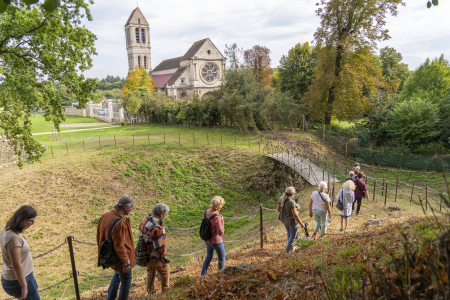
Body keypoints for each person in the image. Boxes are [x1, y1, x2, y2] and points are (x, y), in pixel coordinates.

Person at [97, 195, 135, 300]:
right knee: (126, 281)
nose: (131, 209)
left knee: (118, 274)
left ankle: (111, 298)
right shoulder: (121, 222)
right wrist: (126, 262)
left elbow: (100, 234)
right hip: (120, 257)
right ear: (126, 207)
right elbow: (119, 246)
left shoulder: (106, 215)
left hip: (112, 255)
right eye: (132, 207)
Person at [1, 206, 39, 300]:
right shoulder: (13, 238)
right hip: (20, 280)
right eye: (31, 221)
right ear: (23, 220)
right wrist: (24, 286)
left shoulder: (7, 229)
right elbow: (16, 265)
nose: (32, 224)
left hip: (16, 278)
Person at [139, 203, 171, 293]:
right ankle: (166, 291)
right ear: (161, 214)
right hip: (154, 255)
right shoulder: (156, 227)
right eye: (165, 214)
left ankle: (150, 292)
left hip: (146, 253)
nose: (165, 216)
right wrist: (163, 259)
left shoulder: (145, 219)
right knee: (165, 270)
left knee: (150, 272)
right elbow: (159, 247)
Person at [200, 196, 226, 276]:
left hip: (207, 240)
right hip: (216, 241)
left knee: (208, 257)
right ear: (219, 206)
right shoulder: (217, 218)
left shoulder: (205, 212)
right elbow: (221, 232)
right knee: (221, 257)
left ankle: (202, 275)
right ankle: (221, 275)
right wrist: (222, 221)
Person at [277, 187, 306, 253]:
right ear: (292, 194)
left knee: (289, 233)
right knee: (293, 236)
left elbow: (278, 209)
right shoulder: (291, 202)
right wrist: (301, 223)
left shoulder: (281, 198)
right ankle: (287, 250)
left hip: (284, 220)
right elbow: (295, 215)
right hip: (292, 221)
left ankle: (291, 247)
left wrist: (285, 215)